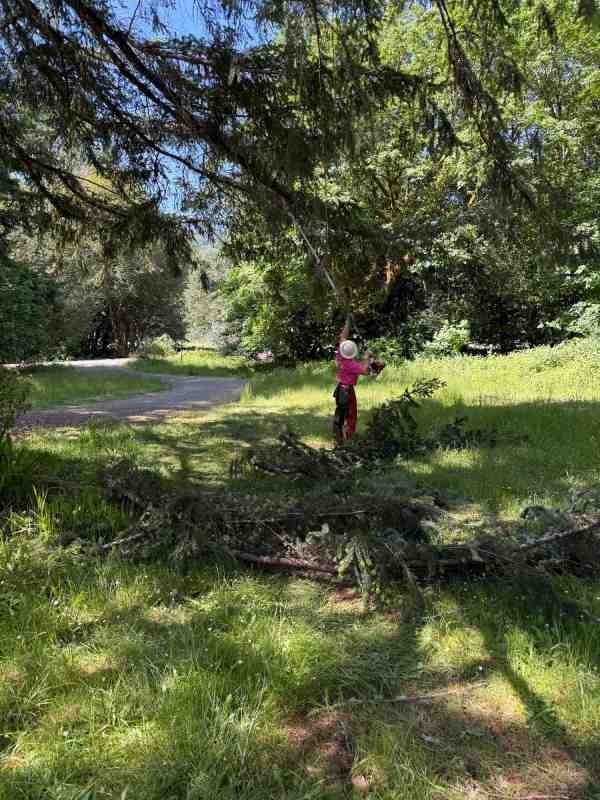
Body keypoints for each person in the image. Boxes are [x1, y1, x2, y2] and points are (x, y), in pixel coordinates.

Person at [333, 317, 384, 445]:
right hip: (347, 391)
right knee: (351, 415)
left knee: (340, 413)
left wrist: (348, 322)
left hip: (340, 388)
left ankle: (339, 437)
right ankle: (348, 439)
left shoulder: (340, 354)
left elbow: (343, 337)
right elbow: (365, 371)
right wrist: (367, 357)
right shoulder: (351, 365)